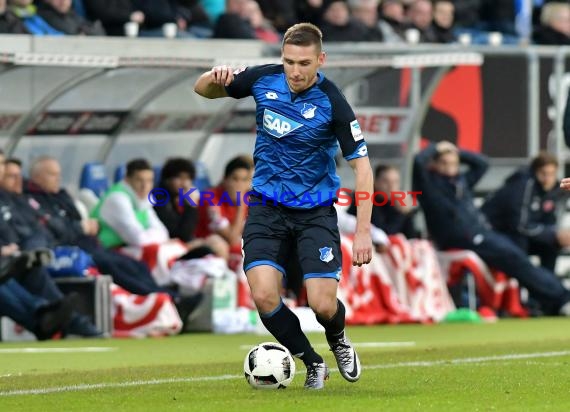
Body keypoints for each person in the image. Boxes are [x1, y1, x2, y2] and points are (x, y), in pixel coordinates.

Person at [194, 22, 373, 389]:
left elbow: (363, 168)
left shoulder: (333, 102)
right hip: (266, 206)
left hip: (314, 212)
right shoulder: (263, 79)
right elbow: (202, 90)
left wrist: (363, 233)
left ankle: (338, 339)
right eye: (289, 61)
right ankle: (312, 362)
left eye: (304, 63)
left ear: (320, 59)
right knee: (262, 294)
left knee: (323, 304)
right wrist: (215, 78)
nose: (295, 71)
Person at [414, 141, 570, 316]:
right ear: (434, 164)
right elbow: (418, 162)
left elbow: (482, 162)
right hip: (461, 236)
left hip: (479, 233)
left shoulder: (460, 180)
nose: (450, 167)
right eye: (444, 162)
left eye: (454, 162)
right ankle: (562, 298)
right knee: (515, 257)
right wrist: (437, 147)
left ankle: (555, 300)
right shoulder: (429, 185)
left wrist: (456, 151)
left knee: (519, 257)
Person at [482, 152, 569, 274]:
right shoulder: (523, 185)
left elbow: (549, 221)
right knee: (521, 241)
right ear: (535, 172)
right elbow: (519, 225)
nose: (547, 179)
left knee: (551, 245)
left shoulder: (556, 189)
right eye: (544, 173)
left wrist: (557, 235)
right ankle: (521, 285)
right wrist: (553, 233)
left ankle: (547, 287)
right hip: (496, 233)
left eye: (551, 174)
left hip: (520, 235)